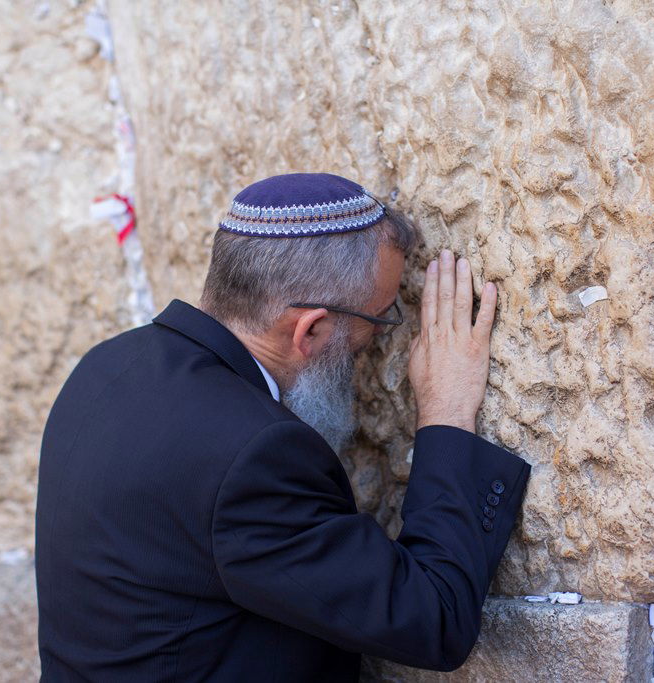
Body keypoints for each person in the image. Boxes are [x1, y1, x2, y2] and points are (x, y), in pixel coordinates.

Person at [34, 172, 531, 682]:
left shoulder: (105, 367)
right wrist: (447, 410)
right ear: (311, 329)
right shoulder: (256, 456)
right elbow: (433, 617)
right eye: (381, 319)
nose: (376, 341)